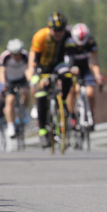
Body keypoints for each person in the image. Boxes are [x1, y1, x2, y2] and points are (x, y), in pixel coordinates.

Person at [25, 13, 75, 148]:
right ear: (49, 28)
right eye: (55, 30)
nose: (58, 33)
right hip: (41, 67)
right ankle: (42, 131)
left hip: (58, 65)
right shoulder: (40, 36)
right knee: (41, 93)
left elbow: (70, 55)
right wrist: (41, 76)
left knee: (68, 76)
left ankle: (63, 102)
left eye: (61, 30)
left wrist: (71, 67)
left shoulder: (68, 36)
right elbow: (35, 58)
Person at [65, 23, 104, 126]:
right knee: (73, 90)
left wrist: (98, 75)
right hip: (71, 69)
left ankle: (91, 113)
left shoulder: (91, 43)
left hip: (85, 69)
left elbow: (94, 61)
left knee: (90, 93)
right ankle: (72, 115)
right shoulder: (68, 43)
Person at [0, 38, 30, 139]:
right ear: (10, 52)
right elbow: (2, 71)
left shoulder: (25, 55)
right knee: (10, 100)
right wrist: (3, 84)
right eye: (14, 54)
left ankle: (25, 110)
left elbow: (28, 69)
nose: (17, 57)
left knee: (26, 92)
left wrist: (31, 80)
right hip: (10, 81)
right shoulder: (5, 56)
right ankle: (10, 125)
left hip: (21, 78)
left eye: (18, 54)